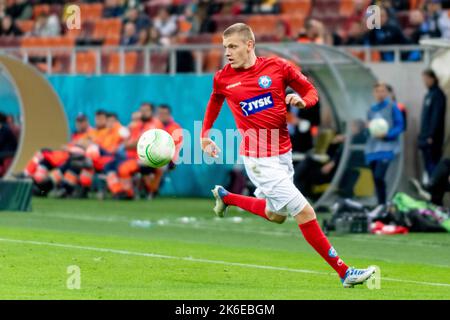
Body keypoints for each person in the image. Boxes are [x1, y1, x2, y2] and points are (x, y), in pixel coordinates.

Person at [200, 23, 375, 288]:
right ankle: (344, 272)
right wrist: (204, 134)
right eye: (225, 48)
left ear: (249, 45)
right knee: (305, 212)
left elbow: (310, 91)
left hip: (283, 154)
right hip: (258, 159)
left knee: (276, 215)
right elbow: (214, 102)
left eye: (233, 46)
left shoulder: (278, 68)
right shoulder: (223, 78)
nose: (227, 53)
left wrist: (304, 101)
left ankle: (227, 197)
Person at [365, 82, 404, 205]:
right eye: (378, 91)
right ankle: (380, 205)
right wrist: (368, 127)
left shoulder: (393, 107)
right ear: (374, 93)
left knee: (379, 176)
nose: (380, 93)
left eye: (383, 91)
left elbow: (400, 125)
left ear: (387, 93)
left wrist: (387, 134)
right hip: (372, 150)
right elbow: (369, 130)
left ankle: (384, 205)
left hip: (387, 148)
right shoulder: (371, 110)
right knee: (376, 180)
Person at [418, 69, 447, 179]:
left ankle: (435, 191)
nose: (424, 82)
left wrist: (431, 135)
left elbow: (436, 117)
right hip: (424, 137)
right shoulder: (428, 95)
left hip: (432, 139)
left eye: (426, 79)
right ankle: (430, 188)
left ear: (432, 78)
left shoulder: (438, 95)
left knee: (433, 164)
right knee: (427, 165)